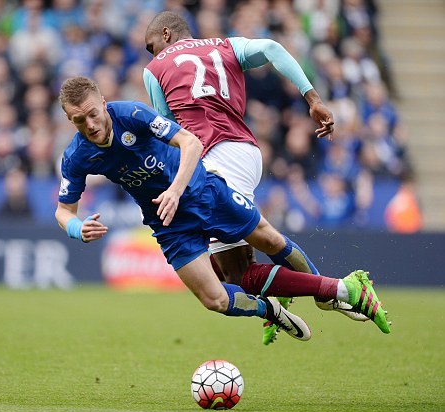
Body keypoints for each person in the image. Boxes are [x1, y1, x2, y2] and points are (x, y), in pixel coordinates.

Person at [54, 76, 390, 340]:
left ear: (103, 101)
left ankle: (328, 293)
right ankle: (271, 312)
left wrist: (176, 188)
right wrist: (76, 227)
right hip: (169, 223)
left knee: (269, 240)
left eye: (93, 114)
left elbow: (190, 142)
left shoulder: (130, 113)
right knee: (215, 299)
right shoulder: (77, 155)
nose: (90, 125)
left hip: (204, 192)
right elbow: (63, 210)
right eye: (78, 120)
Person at [142, 11, 362, 345]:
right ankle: (308, 295)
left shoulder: (154, 69)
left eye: (152, 45)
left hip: (216, 159)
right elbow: (274, 49)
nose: (152, 52)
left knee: (237, 273)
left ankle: (332, 292)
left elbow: (167, 129)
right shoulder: (226, 46)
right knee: (223, 266)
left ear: (167, 33)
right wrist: (313, 99)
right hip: (246, 150)